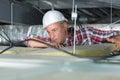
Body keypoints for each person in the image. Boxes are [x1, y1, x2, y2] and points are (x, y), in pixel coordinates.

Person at [25, 10, 120, 50]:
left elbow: (114, 34)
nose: (51, 36)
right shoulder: (52, 41)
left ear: (65, 26)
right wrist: (51, 45)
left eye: (54, 30)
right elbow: (29, 40)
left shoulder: (86, 33)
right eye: (48, 32)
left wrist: (117, 38)